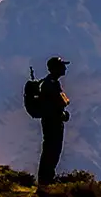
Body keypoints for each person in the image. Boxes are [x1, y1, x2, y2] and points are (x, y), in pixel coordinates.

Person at [37, 56, 72, 187]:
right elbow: (58, 103)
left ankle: (47, 179)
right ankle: (45, 180)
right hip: (52, 122)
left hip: (53, 121)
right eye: (62, 66)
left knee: (52, 149)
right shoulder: (50, 84)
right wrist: (61, 113)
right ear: (55, 68)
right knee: (51, 149)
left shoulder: (52, 83)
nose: (64, 68)